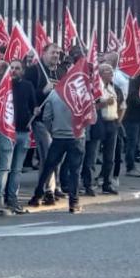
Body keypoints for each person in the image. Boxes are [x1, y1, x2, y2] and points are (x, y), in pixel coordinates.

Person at [0, 59, 35, 214]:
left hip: (23, 132)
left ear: (22, 71)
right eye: (12, 68)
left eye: (18, 68)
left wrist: (34, 113)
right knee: (5, 167)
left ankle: (13, 199)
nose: (14, 70)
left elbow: (32, 105)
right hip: (7, 132)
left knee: (17, 169)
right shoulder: (3, 86)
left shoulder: (28, 86)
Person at [38, 80, 86, 213]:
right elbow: (89, 115)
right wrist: (81, 130)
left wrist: (52, 131)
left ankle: (37, 195)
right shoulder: (81, 94)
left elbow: (46, 117)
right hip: (76, 137)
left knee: (49, 166)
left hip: (58, 136)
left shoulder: (54, 94)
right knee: (75, 171)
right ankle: (74, 202)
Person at [25, 43, 61, 199]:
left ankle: (55, 184)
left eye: (58, 53)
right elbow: (27, 95)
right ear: (44, 53)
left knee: (58, 154)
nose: (56, 56)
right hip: (40, 119)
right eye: (53, 52)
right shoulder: (34, 71)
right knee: (47, 153)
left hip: (58, 119)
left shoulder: (61, 72)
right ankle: (48, 189)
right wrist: (42, 92)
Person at [94, 63, 125, 193]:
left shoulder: (116, 88)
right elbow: (91, 107)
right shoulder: (96, 88)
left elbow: (123, 105)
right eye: (108, 71)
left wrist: (118, 121)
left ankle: (107, 183)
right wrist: (105, 103)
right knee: (93, 155)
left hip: (112, 123)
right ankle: (88, 183)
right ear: (100, 73)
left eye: (112, 71)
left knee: (110, 156)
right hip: (98, 123)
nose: (112, 73)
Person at [122, 72, 140, 177]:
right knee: (131, 143)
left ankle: (132, 165)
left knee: (134, 143)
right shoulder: (133, 86)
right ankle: (130, 166)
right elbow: (132, 98)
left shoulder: (134, 84)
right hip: (132, 118)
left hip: (135, 118)